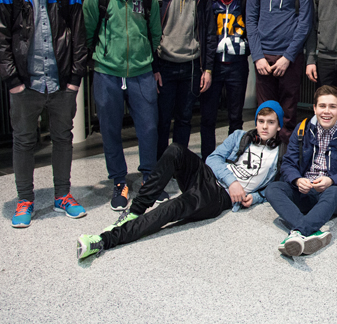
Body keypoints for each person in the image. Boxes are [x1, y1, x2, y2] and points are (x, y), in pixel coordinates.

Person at [77, 101, 284, 259]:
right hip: (210, 176)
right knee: (176, 149)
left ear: (279, 126)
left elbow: (272, 189)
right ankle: (134, 211)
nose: (264, 127)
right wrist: (233, 181)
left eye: (271, 122)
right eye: (261, 121)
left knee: (171, 208)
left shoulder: (279, 157)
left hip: (218, 197)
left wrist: (255, 198)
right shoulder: (240, 136)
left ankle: (104, 241)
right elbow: (212, 159)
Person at [0, 0, 88, 228]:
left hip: (61, 82)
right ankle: (25, 199)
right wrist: (13, 82)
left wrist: (75, 79)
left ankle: (63, 195)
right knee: (24, 141)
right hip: (25, 84)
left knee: (63, 138)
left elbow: (79, 37)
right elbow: (2, 40)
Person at [83, 0, 162, 210]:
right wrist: (100, 60)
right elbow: (88, 33)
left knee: (149, 128)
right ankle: (119, 181)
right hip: (107, 73)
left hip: (141, 72)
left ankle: (149, 177)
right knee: (110, 129)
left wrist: (150, 62)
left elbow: (155, 33)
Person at [265, 85, 337, 256]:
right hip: (307, 188)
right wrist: (297, 180)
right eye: (322, 106)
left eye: (332, 107)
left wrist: (331, 180)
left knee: (333, 192)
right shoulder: (302, 128)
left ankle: (298, 232)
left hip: (336, 191)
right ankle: (311, 231)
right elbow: (288, 163)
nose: (326, 111)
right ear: (314, 108)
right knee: (273, 189)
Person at [246, 0, 312, 144]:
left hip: (289, 59)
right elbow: (250, 21)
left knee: (288, 112)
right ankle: (266, 151)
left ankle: (285, 155)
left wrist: (288, 57)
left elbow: (304, 23)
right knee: (265, 113)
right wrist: (258, 57)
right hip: (263, 57)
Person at [153, 0, 214, 162]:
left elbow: (209, 34)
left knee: (184, 120)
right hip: (165, 66)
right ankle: (161, 166)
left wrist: (208, 69)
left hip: (191, 66)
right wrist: (154, 67)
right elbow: (150, 32)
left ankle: (178, 165)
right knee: (161, 121)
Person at [199, 0, 250, 160]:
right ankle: (208, 160)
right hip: (213, 65)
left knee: (235, 117)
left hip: (237, 64)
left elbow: (252, 24)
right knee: (208, 117)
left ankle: (233, 157)